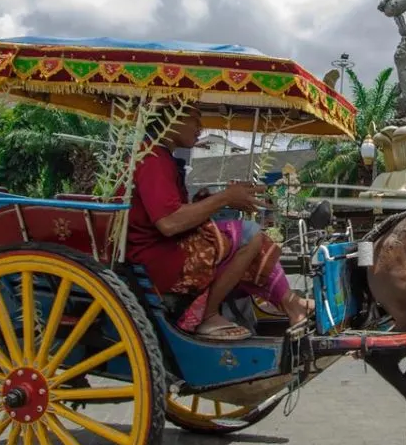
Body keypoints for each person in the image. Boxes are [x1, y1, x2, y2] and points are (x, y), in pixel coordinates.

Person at [123, 104, 313, 341]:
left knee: (253, 238)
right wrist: (224, 198)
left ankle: (292, 304)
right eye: (195, 119)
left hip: (167, 248)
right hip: (160, 258)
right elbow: (169, 222)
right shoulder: (153, 159)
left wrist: (215, 200)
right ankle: (207, 315)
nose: (200, 127)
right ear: (171, 119)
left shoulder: (158, 156)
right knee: (250, 234)